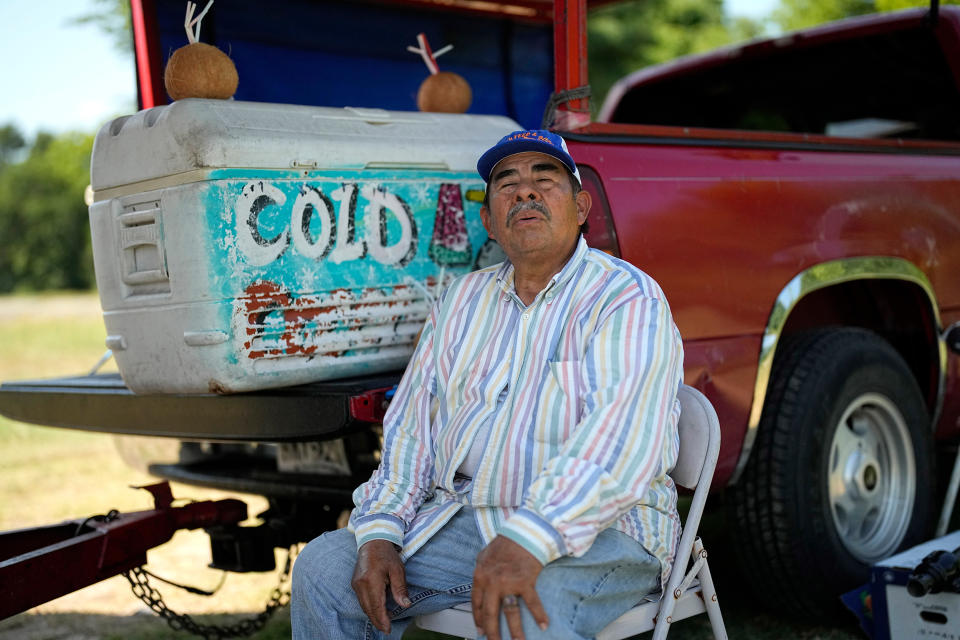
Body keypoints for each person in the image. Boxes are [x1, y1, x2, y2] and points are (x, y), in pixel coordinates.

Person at [292, 129, 684, 640]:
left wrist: (529, 536)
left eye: (545, 179)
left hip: (606, 531)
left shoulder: (626, 298)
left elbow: (621, 441)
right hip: (470, 520)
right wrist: (381, 531)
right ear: (488, 222)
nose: (525, 192)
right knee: (325, 570)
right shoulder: (462, 301)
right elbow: (413, 429)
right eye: (507, 184)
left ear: (582, 206)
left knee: (522, 610)